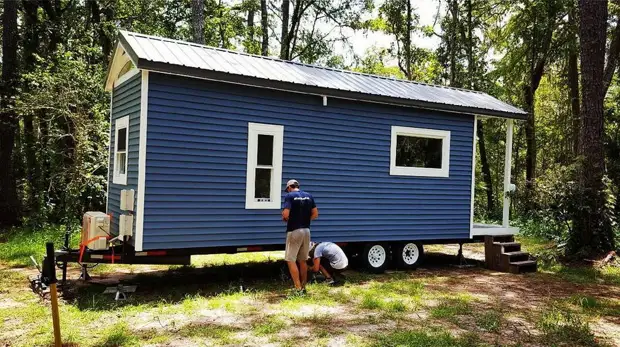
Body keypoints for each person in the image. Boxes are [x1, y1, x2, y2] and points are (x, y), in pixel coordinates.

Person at [282, 179, 318, 294]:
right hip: (306, 230)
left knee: (290, 259)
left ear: (289, 187)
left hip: (294, 230)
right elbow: (315, 214)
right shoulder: (309, 196)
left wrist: (285, 218)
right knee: (303, 260)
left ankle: (297, 289)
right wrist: (305, 220)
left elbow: (286, 214)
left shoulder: (289, 196)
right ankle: (303, 287)